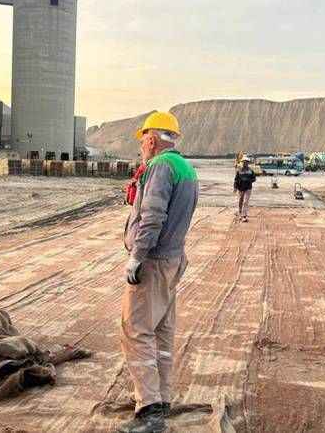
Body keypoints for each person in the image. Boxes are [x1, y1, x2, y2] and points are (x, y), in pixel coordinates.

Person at [119, 112, 199, 433]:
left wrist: (136, 256)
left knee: (136, 330)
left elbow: (152, 215)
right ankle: (161, 399)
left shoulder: (160, 166)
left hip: (152, 261)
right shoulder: (186, 167)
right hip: (173, 258)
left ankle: (149, 411)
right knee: (162, 331)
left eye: (142, 140)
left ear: (151, 139)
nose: (141, 147)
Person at [233, 157, 256, 222]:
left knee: (245, 202)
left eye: (246, 162)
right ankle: (240, 212)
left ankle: (244, 215)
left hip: (248, 188)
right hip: (240, 188)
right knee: (240, 200)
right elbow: (236, 180)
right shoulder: (239, 171)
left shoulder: (251, 171)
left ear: (248, 163)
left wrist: (248, 180)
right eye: (244, 162)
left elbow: (254, 179)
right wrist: (235, 187)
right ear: (242, 163)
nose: (245, 163)